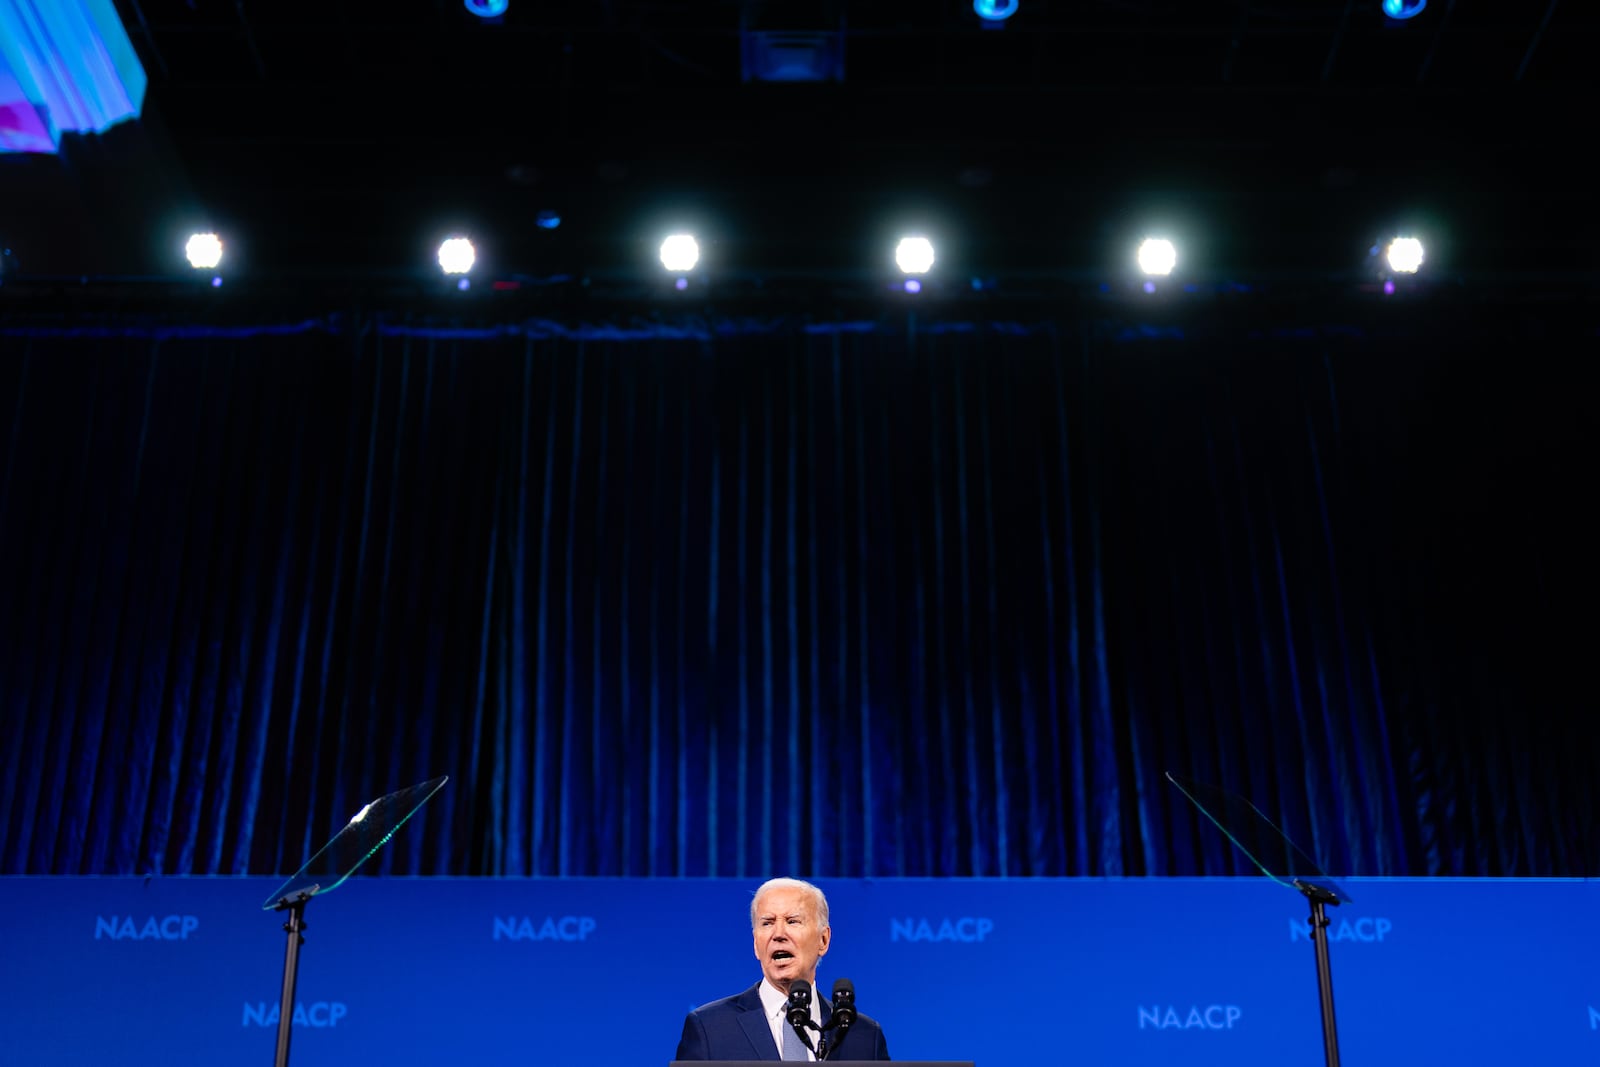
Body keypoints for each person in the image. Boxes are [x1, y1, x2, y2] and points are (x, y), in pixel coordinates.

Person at [676, 877, 891, 1061]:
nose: (778, 933)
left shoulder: (863, 1035)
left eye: (792, 921)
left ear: (823, 940)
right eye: (767, 923)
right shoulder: (710, 1028)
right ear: (755, 944)